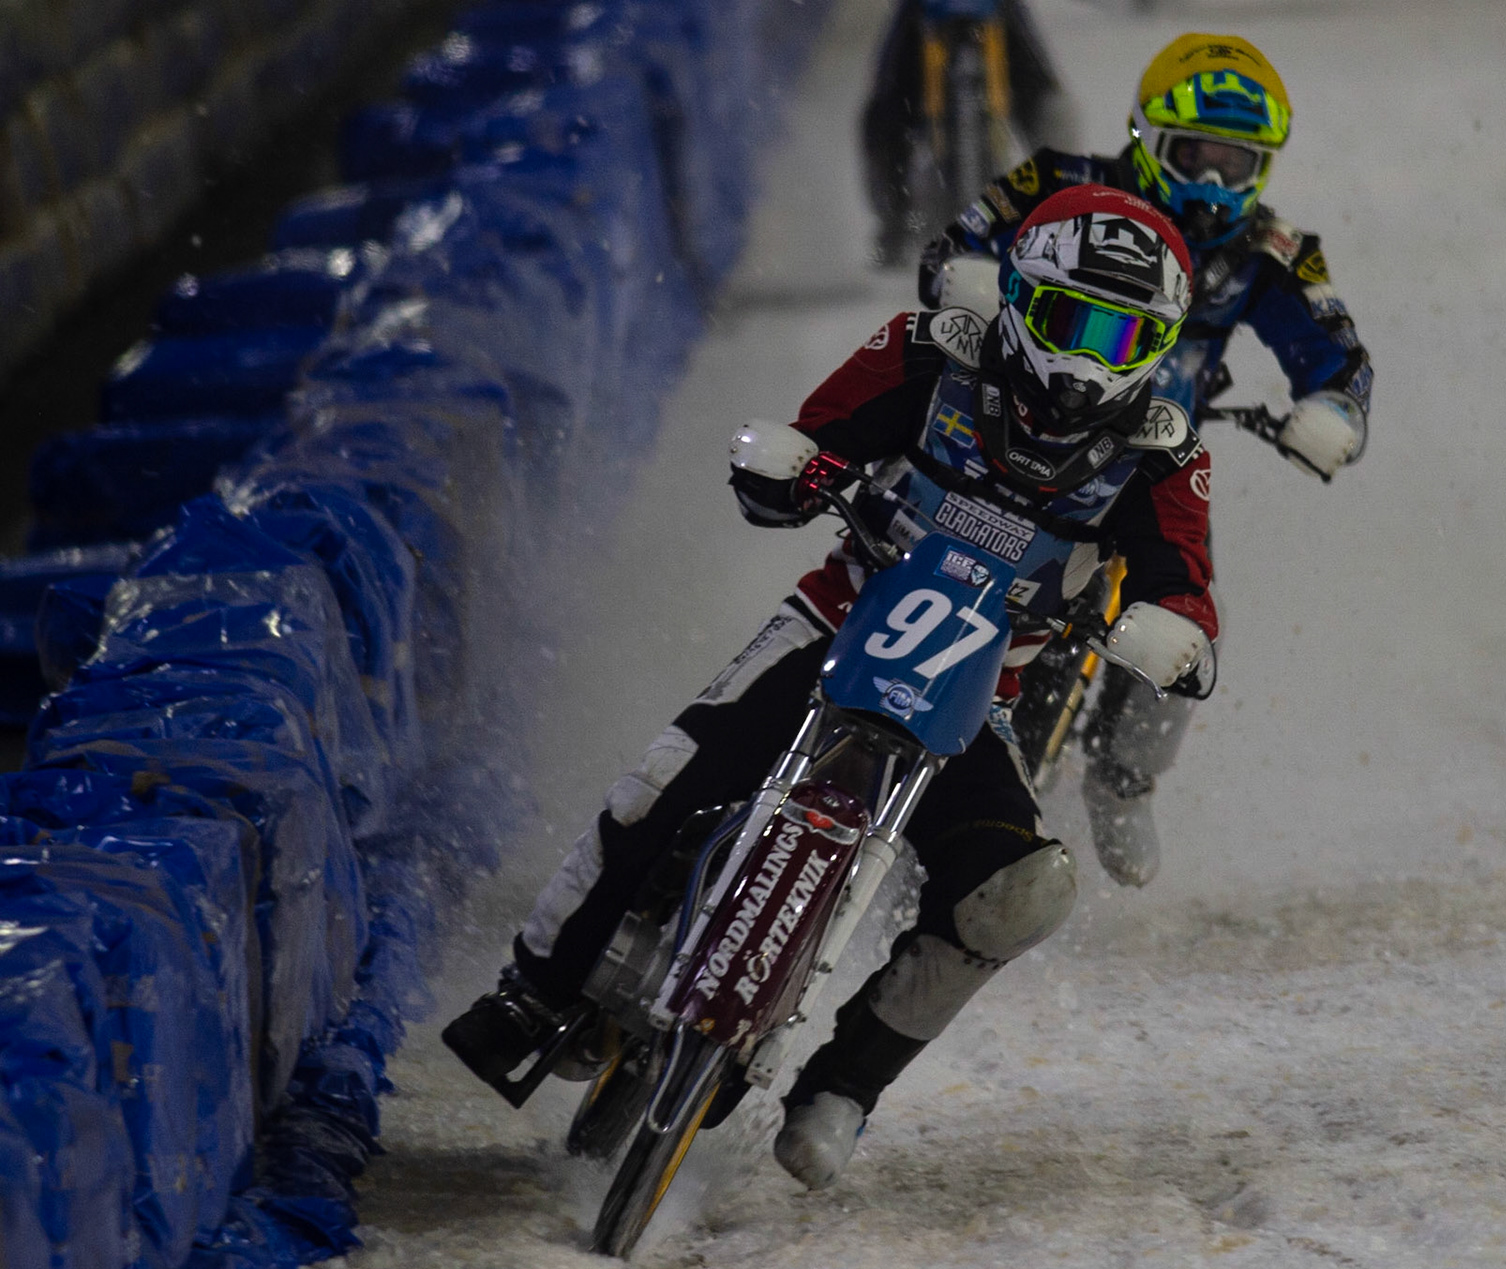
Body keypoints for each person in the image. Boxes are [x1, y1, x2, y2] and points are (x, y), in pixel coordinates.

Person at [443, 185, 1220, 1190]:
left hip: (978, 694)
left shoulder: (1165, 455)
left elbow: (1183, 587)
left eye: (1123, 337)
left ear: (1160, 346)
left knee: (1021, 889)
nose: (1087, 359)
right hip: (837, 618)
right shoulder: (932, 349)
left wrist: (1173, 634)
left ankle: (842, 1087)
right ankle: (535, 985)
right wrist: (798, 468)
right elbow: (821, 435)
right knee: (667, 777)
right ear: (1021, 302)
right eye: (1072, 321)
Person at [917, 32, 1374, 889]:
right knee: (893, 519)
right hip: (999, 426)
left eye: (1236, 165)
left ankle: (1123, 781)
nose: (1211, 183)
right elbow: (955, 245)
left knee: (1186, 611)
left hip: (1137, 472)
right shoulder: (1055, 182)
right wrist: (970, 281)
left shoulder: (1273, 253)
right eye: (1195, 156)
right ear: (1145, 137)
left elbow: (1338, 352)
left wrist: (1333, 409)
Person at [861, 0, 1078, 265]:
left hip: (992, 8)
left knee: (1047, 102)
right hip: (926, 11)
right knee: (885, 111)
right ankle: (896, 219)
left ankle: (1059, 208)